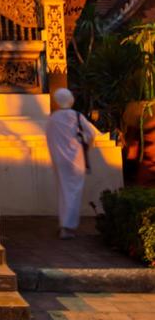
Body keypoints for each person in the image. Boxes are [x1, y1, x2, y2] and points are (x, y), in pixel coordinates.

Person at [45, 87, 97, 239]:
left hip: (59, 161)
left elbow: (50, 139)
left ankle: (64, 224)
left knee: (63, 191)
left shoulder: (53, 119)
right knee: (73, 192)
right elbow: (91, 134)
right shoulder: (77, 116)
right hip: (76, 160)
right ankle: (68, 227)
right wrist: (84, 142)